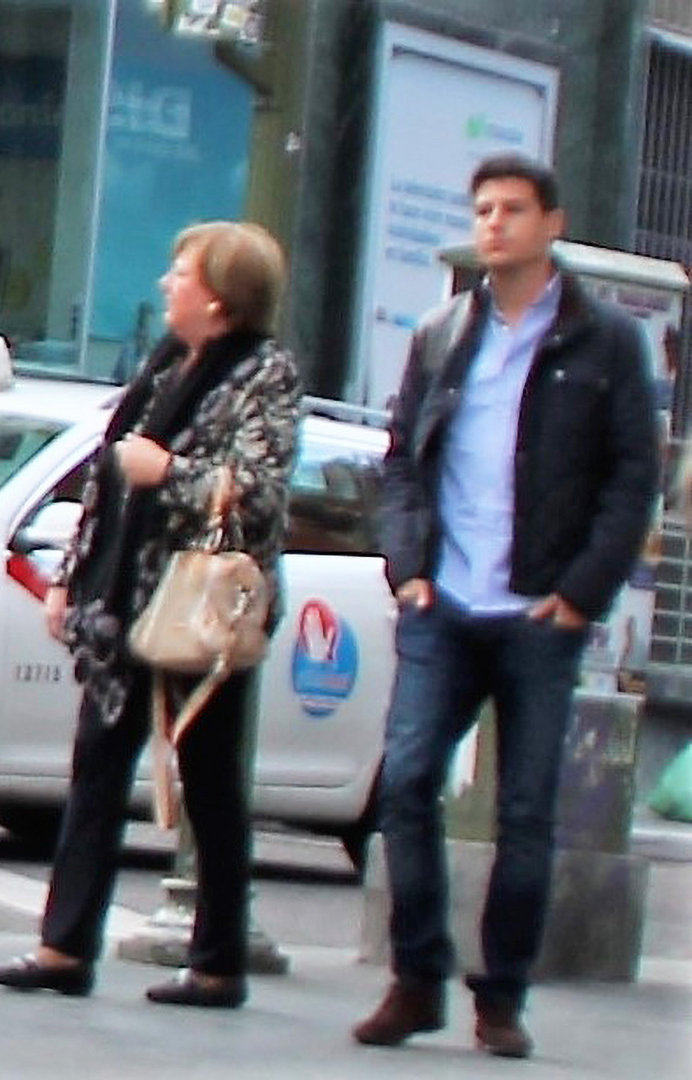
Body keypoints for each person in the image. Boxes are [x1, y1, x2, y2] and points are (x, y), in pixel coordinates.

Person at [353, 154, 658, 1060]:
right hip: (443, 604)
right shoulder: (446, 332)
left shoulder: (603, 342)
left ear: (552, 224)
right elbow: (403, 456)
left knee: (525, 813)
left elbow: (633, 476)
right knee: (406, 785)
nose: (494, 224)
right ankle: (417, 977)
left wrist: (578, 595)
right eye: (482, 209)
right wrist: (407, 569)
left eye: (513, 210)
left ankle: (503, 996)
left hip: (536, 614)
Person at [0, 221, 300, 1009]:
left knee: (211, 780)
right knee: (96, 768)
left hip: (197, 605)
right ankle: (64, 945)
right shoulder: (163, 365)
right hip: (122, 598)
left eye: (182, 273)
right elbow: (105, 478)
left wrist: (173, 473)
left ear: (222, 298)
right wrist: (71, 574)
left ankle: (219, 959)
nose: (167, 285)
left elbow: (258, 490)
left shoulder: (265, 373)